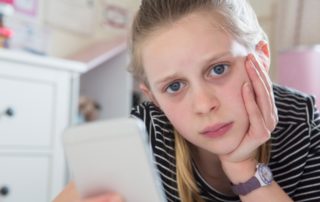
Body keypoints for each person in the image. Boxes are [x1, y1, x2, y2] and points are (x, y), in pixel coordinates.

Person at [54, 0, 320, 201]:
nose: (204, 105)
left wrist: (244, 169)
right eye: (174, 86)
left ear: (260, 57)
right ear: (154, 98)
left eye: (218, 69)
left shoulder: (301, 121)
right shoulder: (145, 137)